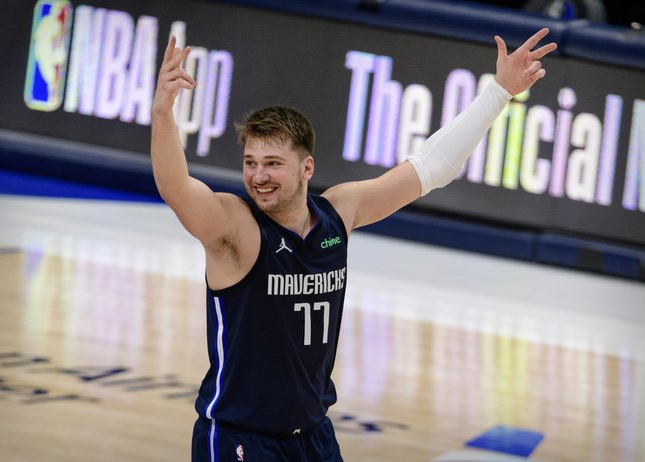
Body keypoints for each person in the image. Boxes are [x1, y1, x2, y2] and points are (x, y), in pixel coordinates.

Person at [151, 28, 557, 462]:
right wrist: (163, 115)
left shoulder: (338, 213)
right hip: (241, 440)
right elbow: (177, 189)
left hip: (313, 435)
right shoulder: (236, 227)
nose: (258, 176)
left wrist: (497, 92)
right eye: (250, 163)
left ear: (307, 168)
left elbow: (430, 168)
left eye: (273, 163)